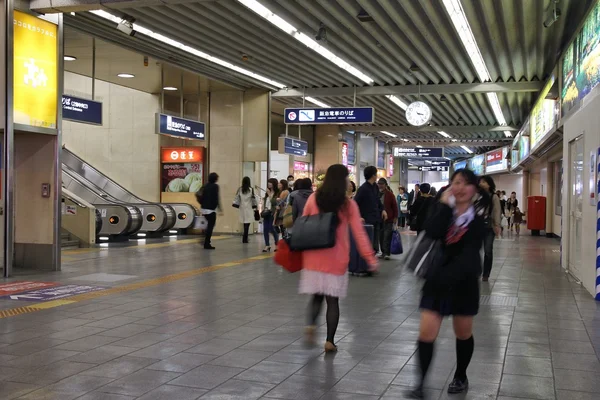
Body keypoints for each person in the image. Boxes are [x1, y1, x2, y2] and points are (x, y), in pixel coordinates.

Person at [411, 168, 485, 398]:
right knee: (426, 334)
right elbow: (431, 232)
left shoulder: (478, 218)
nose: (460, 188)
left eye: (465, 183)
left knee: (463, 334)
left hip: (464, 283)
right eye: (456, 182)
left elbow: (471, 251)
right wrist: (444, 205)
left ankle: (460, 376)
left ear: (474, 189)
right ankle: (421, 383)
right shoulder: (442, 210)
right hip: (437, 281)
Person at [299, 164, 378, 352]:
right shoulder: (348, 204)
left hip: (314, 257)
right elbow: (359, 234)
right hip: (336, 258)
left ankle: (310, 327)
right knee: (332, 301)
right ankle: (329, 341)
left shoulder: (313, 198)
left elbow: (304, 222)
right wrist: (370, 258)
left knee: (316, 297)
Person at [354, 166, 385, 253]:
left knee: (375, 246)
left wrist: (383, 209)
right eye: (376, 174)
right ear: (373, 175)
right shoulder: (363, 189)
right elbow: (355, 204)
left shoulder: (375, 187)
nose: (377, 176)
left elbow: (378, 200)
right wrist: (358, 217)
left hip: (376, 219)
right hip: (366, 221)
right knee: (368, 245)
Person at [476, 176, 502, 281]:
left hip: (488, 227)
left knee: (488, 250)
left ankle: (486, 274)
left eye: (484, 182)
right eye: (480, 182)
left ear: (489, 184)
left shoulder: (494, 197)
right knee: (474, 250)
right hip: (476, 227)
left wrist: (497, 225)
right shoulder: (476, 195)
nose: (481, 183)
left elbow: (496, 211)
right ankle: (475, 271)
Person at [377, 178, 399, 260]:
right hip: (379, 219)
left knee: (387, 236)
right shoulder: (376, 194)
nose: (380, 185)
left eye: (382, 184)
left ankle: (387, 253)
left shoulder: (390, 195)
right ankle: (383, 252)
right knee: (381, 237)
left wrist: (395, 217)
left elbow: (395, 207)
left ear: (386, 185)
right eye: (379, 184)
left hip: (389, 219)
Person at [200, 172, 221, 250]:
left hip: (204, 209)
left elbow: (199, 194)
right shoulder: (215, 186)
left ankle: (205, 239)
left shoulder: (205, 186)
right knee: (210, 226)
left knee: (209, 225)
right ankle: (206, 243)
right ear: (215, 179)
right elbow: (216, 198)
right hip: (211, 210)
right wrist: (219, 207)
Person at [235, 176, 257, 244]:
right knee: (247, 223)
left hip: (242, 208)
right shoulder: (251, 189)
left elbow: (237, 198)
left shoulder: (240, 189)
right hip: (249, 208)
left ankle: (245, 237)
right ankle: (245, 238)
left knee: (245, 222)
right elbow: (254, 199)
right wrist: (255, 206)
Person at [262, 178, 280, 252]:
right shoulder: (267, 193)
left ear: (274, 184)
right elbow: (266, 202)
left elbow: (274, 202)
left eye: (270, 183)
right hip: (266, 212)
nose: (269, 184)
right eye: (268, 182)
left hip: (273, 213)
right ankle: (267, 245)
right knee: (265, 229)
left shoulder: (277, 193)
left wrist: (269, 194)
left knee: (272, 229)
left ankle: (277, 244)